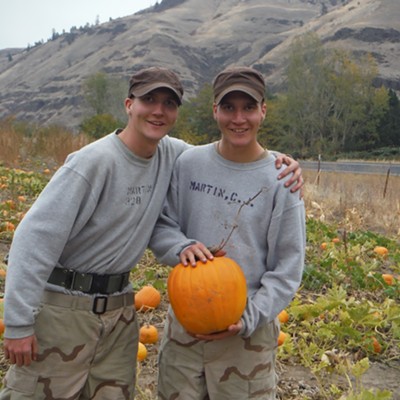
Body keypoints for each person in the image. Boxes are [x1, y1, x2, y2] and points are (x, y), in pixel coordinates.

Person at [1, 66, 302, 399]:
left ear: (263, 110)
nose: (159, 110)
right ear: (129, 104)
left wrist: (279, 162)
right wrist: (17, 323)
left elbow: (286, 264)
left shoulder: (180, 156)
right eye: (149, 100)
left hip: (128, 316)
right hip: (68, 311)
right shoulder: (102, 162)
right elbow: (34, 238)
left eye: (169, 103)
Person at [149, 66, 306, 400]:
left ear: (263, 110)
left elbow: (288, 266)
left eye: (248, 107)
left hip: (247, 336)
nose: (239, 118)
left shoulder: (281, 180)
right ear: (214, 111)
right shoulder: (188, 163)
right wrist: (181, 247)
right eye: (228, 107)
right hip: (185, 328)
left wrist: (248, 317)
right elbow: (163, 225)